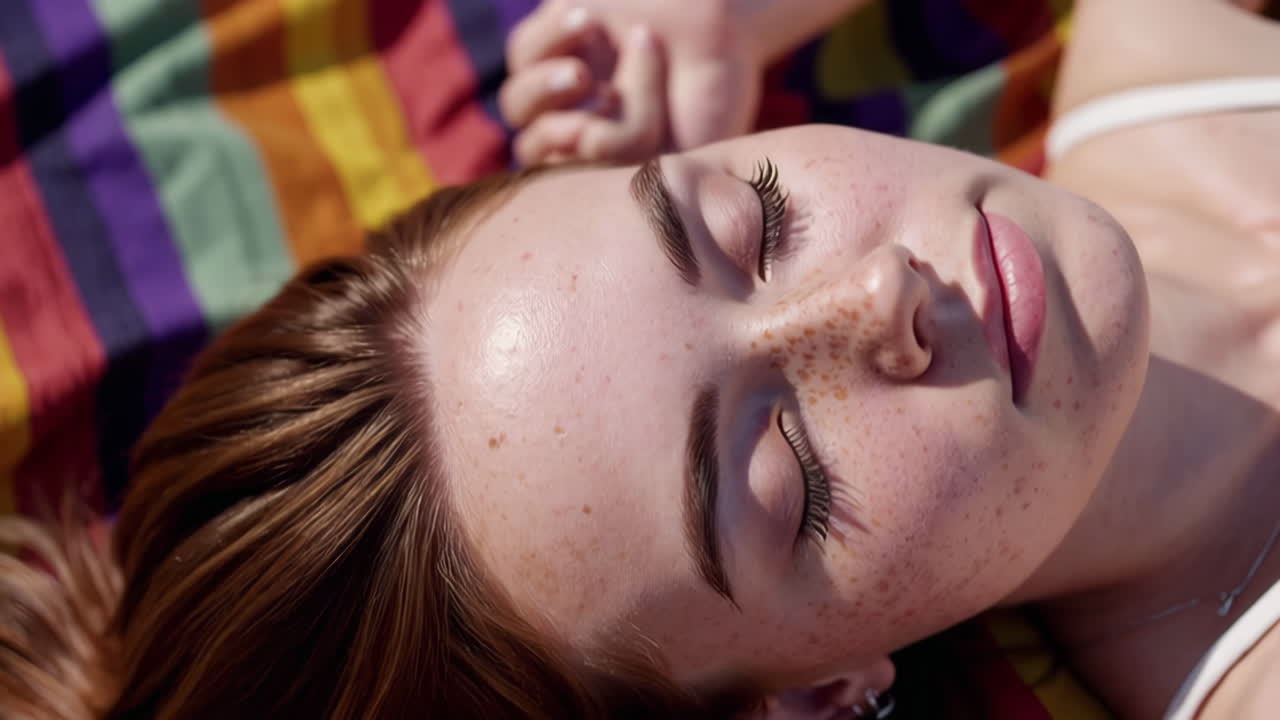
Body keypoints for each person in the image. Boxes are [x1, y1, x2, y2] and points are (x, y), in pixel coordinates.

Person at [2, 0, 1277, 718]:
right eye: (784, 476)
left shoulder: (1154, 37)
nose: (873, 295)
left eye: (752, 221)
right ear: (814, 700)